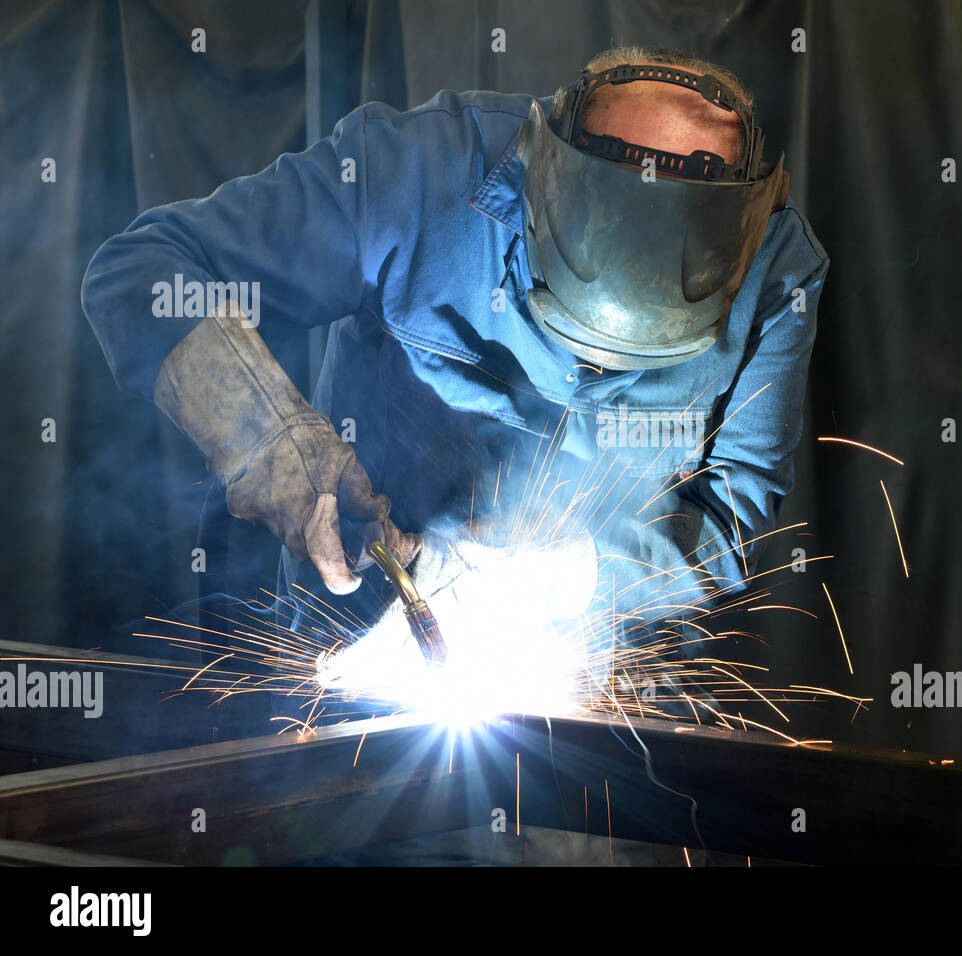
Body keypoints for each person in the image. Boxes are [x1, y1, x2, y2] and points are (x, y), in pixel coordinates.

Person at [81, 45, 829, 642]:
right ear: (537, 191)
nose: (592, 371)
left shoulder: (776, 270)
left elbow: (728, 526)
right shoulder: (412, 177)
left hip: (608, 722)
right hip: (354, 668)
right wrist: (271, 441)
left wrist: (563, 576)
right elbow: (143, 273)